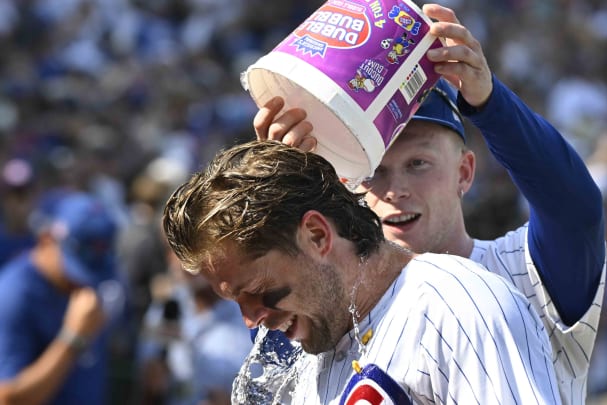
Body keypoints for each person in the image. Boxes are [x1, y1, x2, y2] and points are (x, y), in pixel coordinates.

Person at [252, 3, 606, 404]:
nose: (394, 188)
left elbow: (576, 211)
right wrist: (278, 194)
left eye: (418, 164)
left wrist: (491, 103)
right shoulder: (328, 303)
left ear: (464, 173)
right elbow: (267, 312)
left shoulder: (522, 271)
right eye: (374, 171)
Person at [162, 140, 561, 404]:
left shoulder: (456, 306)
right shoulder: (315, 353)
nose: (252, 320)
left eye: (261, 290)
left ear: (317, 235)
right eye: (236, 301)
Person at [0, 190, 121, 405]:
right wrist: (72, 338)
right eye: (76, 267)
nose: (84, 280)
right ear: (46, 239)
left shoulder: (93, 282)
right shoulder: (13, 294)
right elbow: (7, 398)